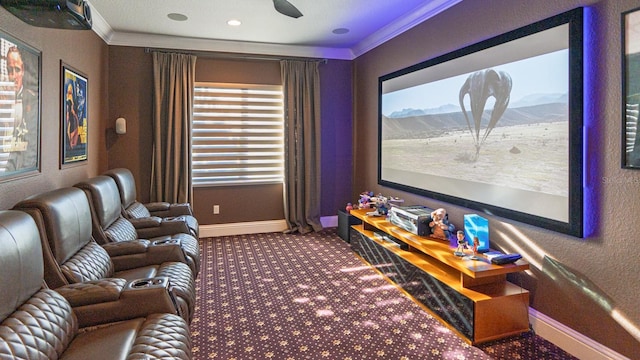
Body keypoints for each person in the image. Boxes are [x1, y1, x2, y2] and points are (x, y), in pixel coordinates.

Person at [5, 45, 38, 173]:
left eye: (17, 70)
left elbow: (31, 146)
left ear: (23, 70)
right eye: (9, 70)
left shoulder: (32, 100)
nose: (13, 76)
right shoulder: (4, 101)